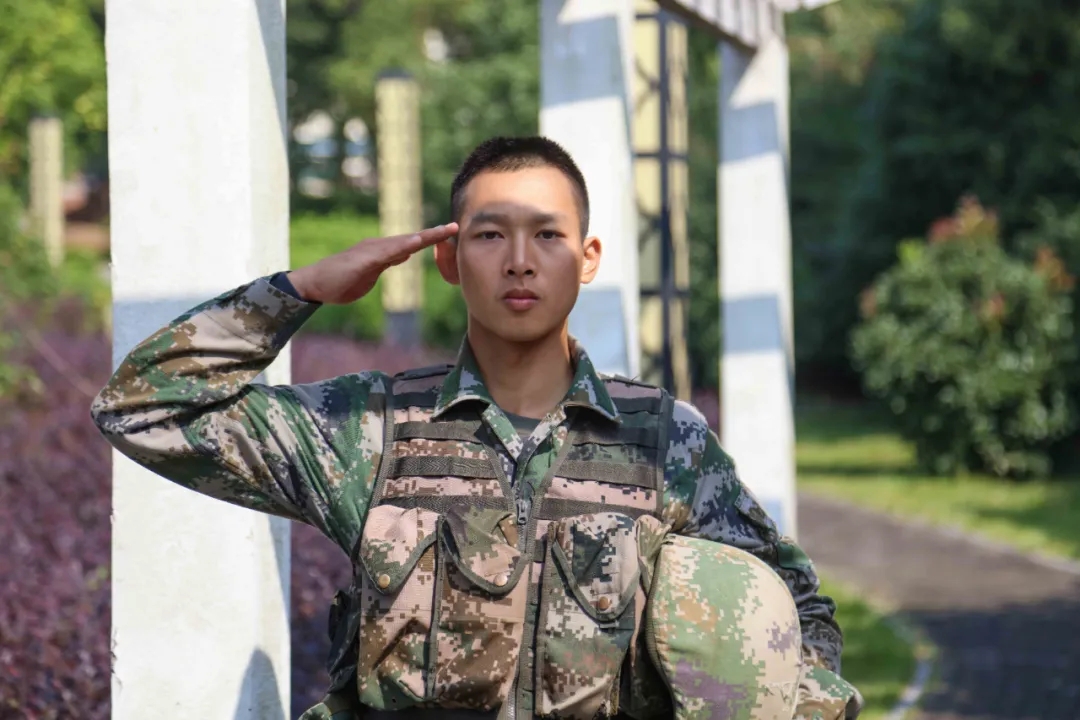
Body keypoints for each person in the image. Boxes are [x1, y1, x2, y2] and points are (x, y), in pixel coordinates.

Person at [91, 136, 861, 720]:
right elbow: (142, 407)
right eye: (490, 236)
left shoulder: (664, 443)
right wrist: (300, 289)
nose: (520, 262)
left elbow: (799, 611)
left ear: (588, 258)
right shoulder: (370, 428)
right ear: (449, 259)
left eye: (548, 236)